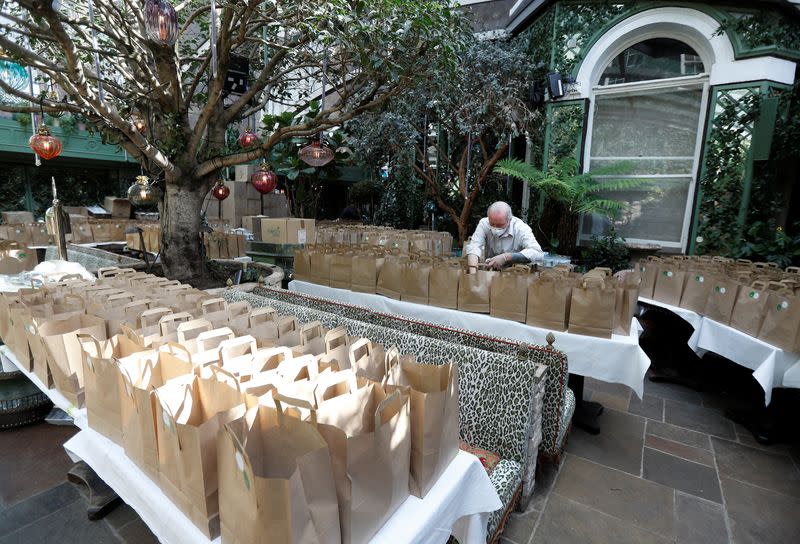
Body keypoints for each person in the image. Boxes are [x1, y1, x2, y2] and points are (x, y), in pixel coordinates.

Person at [465, 201, 543, 271]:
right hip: (491, 271)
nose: (495, 228)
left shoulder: (521, 228)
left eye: (500, 225)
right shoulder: (484, 223)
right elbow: (474, 247)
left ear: (509, 220)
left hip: (516, 274)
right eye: (492, 224)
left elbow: (537, 253)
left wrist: (507, 257)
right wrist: (473, 271)